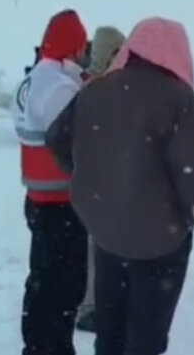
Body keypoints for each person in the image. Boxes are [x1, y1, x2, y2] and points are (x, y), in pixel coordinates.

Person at [46, 16, 194, 355]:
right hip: (161, 243)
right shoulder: (178, 97)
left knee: (110, 329)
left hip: (106, 233)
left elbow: (56, 139)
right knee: (146, 336)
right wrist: (186, 217)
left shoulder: (96, 89)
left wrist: (90, 179)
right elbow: (193, 172)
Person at [13, 9, 91, 355]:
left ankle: (35, 345)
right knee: (65, 287)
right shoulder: (58, 86)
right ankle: (55, 348)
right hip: (62, 202)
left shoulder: (32, 79)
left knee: (42, 280)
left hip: (38, 198)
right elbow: (76, 138)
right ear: (73, 48)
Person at [73, 25, 128, 334]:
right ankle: (91, 308)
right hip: (100, 188)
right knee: (97, 252)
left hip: (92, 186)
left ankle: (93, 304)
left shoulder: (87, 86)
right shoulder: (101, 90)